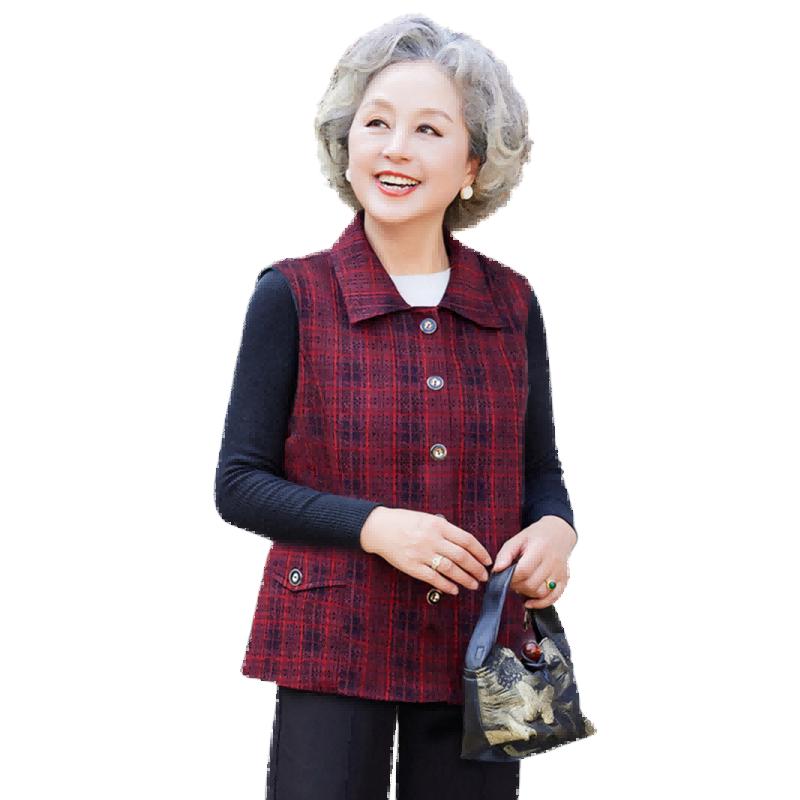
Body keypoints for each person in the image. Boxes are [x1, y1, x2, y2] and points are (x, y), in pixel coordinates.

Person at [214, 13, 578, 800]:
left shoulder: (512, 302)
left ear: (475, 162)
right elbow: (239, 484)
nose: (395, 149)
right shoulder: (292, 294)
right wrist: (375, 525)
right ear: (345, 143)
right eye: (375, 123)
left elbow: (539, 465)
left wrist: (557, 528)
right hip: (331, 643)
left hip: (482, 646)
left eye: (429, 130)